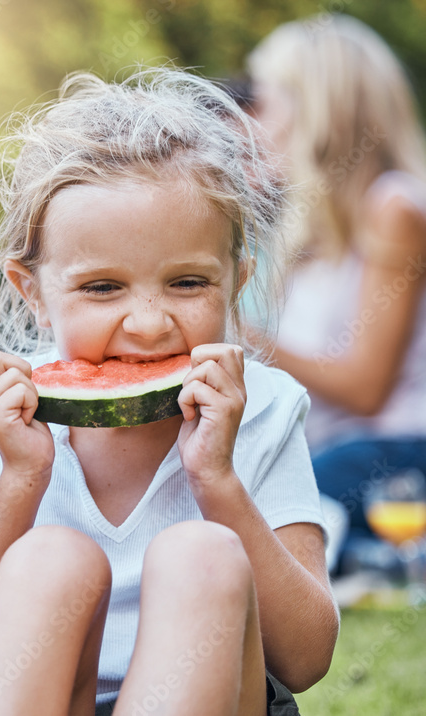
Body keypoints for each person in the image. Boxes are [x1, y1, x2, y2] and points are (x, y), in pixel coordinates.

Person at [0, 68, 338, 714]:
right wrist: (20, 478)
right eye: (103, 288)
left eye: (188, 283)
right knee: (50, 559)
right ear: (33, 293)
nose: (148, 323)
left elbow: (304, 660)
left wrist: (218, 480)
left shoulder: (263, 408)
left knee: (203, 554)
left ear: (237, 280)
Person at [248, 15, 426, 565]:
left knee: (266, 507)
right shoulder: (308, 234)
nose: (256, 120)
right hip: (327, 449)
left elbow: (367, 388)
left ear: (317, 108)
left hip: (393, 452)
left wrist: (239, 332)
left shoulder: (394, 208)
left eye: (268, 100)